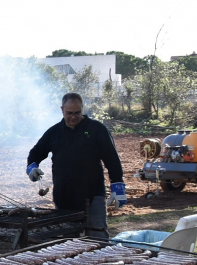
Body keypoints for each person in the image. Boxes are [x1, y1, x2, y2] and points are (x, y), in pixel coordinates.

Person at [26, 92, 125, 240]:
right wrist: (32, 168)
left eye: (77, 113)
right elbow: (35, 153)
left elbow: (112, 159)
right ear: (62, 110)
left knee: (98, 236)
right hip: (64, 194)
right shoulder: (54, 132)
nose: (73, 117)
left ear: (82, 109)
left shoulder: (97, 129)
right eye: (69, 113)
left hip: (93, 193)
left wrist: (118, 186)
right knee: (68, 239)